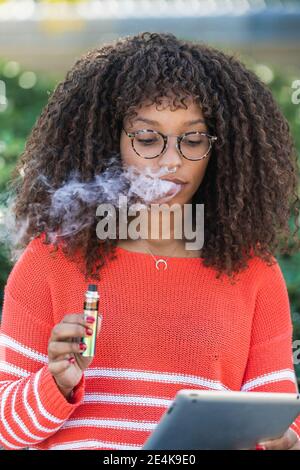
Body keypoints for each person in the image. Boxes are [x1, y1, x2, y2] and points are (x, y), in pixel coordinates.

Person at [0, 31, 300, 451]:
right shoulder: (50, 261)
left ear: (221, 151)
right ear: (110, 142)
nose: (172, 160)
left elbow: (279, 417)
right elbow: (5, 430)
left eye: (193, 139)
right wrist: (56, 383)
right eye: (146, 139)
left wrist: (283, 441)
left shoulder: (253, 272)